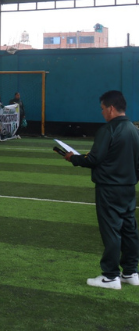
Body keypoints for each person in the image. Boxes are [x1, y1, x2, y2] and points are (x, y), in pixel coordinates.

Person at [64, 90, 139, 290]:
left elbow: (93, 159)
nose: (102, 112)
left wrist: (73, 158)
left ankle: (110, 276)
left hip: (109, 188)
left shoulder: (108, 130)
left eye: (103, 108)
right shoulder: (134, 130)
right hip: (128, 188)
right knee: (129, 229)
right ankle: (131, 272)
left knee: (112, 230)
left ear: (111, 108)